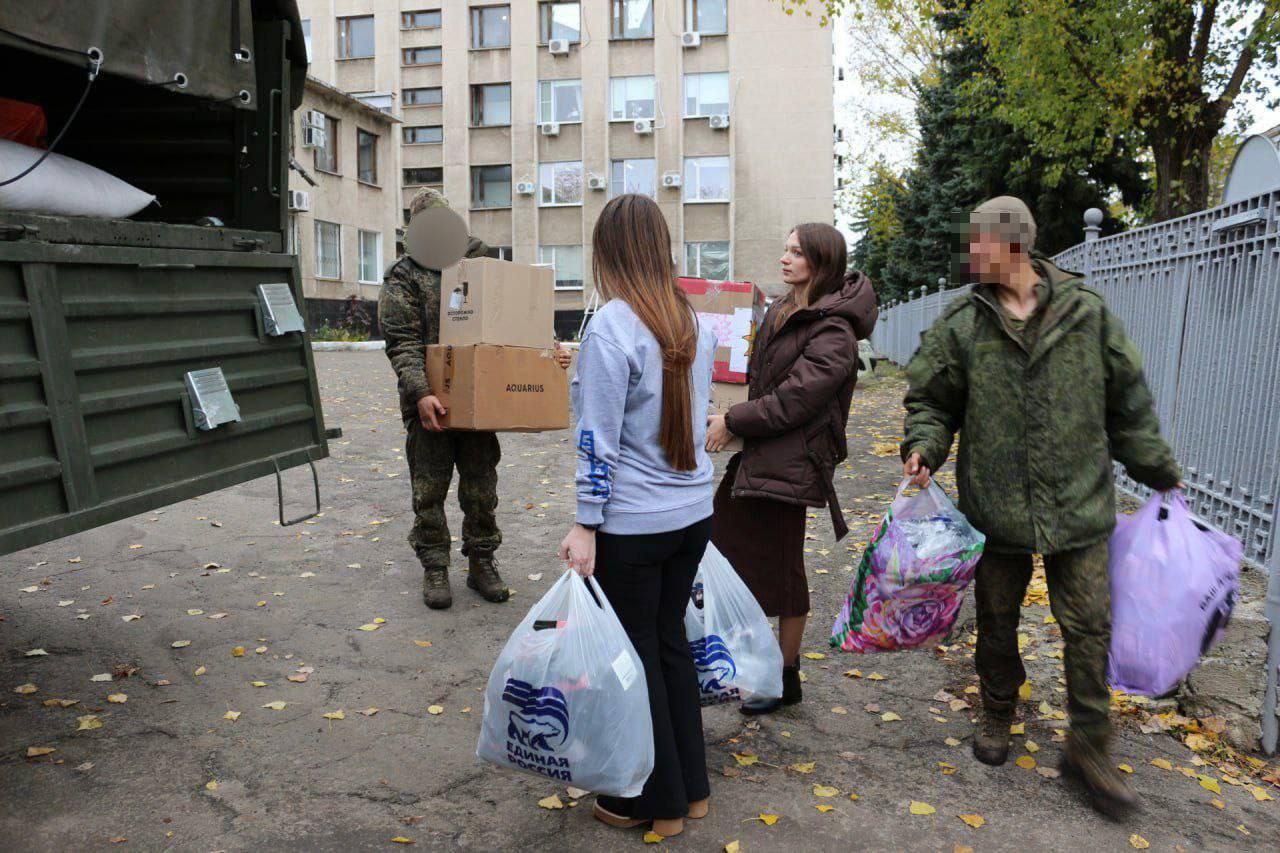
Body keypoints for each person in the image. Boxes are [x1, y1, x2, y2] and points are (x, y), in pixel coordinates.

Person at [900, 196, 1181, 817]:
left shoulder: (1086, 311)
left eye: (977, 244)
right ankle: (998, 709)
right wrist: (924, 446)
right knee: (997, 620)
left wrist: (1157, 469)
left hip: (1077, 501)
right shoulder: (963, 321)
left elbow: (1128, 401)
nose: (968, 255)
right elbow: (931, 399)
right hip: (995, 503)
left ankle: (1089, 745)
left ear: (1011, 247)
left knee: (1089, 627)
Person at [559, 194, 717, 839]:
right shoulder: (690, 320)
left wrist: (585, 522)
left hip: (634, 525)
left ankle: (655, 803)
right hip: (692, 514)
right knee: (669, 644)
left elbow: (597, 441)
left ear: (609, 252)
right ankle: (692, 790)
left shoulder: (611, 326)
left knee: (638, 656)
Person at [704, 223, 878, 715]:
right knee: (726, 548)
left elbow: (796, 398)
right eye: (785, 249)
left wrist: (733, 421)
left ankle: (783, 674)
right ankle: (762, 666)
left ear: (821, 262)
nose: (785, 258)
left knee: (781, 568)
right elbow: (761, 381)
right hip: (762, 452)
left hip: (795, 459)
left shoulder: (834, 330)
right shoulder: (783, 308)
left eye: (796, 252)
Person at [379, 188, 571, 610]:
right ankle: (435, 566)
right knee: (429, 490)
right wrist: (421, 393)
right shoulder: (404, 276)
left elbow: (514, 318)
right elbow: (402, 341)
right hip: (429, 406)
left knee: (482, 487)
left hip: (479, 401)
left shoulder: (480, 265)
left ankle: (481, 562)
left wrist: (547, 349)